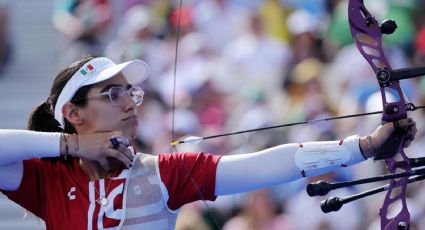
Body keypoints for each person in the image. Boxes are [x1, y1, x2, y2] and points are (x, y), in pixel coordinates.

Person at [0, 56, 417, 229]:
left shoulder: (162, 173)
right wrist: (74, 147)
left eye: (131, 92)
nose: (129, 103)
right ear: (73, 114)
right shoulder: (47, 181)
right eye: (112, 94)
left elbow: (264, 165)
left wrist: (360, 147)